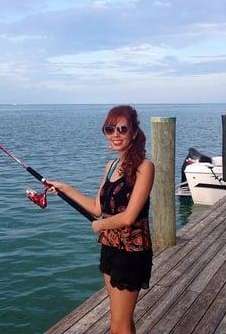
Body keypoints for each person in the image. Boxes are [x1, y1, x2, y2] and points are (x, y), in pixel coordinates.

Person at [47, 105, 154, 334]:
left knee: (118, 326)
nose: (115, 134)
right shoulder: (111, 166)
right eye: (110, 129)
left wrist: (100, 225)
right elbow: (97, 208)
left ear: (134, 132)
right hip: (110, 247)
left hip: (132, 252)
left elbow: (128, 217)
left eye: (122, 129)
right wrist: (65, 188)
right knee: (120, 320)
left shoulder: (145, 167)